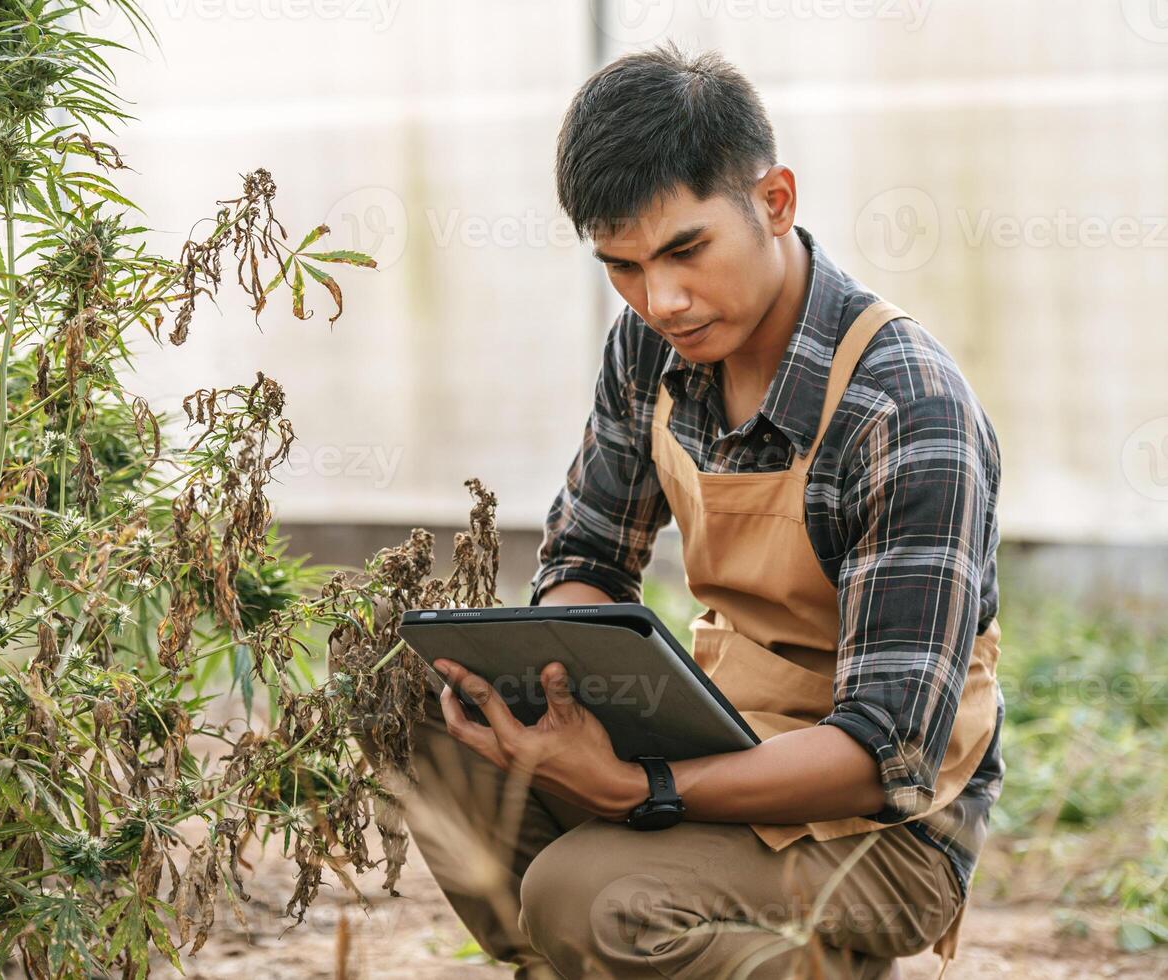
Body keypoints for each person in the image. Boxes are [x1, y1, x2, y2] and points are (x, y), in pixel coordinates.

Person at [392, 43, 1005, 980]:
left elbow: (885, 752)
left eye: (685, 250)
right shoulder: (650, 351)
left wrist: (639, 787)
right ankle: (579, 964)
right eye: (624, 267)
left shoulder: (904, 409)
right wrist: (558, 691)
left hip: (887, 831)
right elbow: (588, 561)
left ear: (776, 202)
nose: (662, 299)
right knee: (421, 704)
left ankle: (800, 962)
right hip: (722, 729)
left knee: (585, 895)